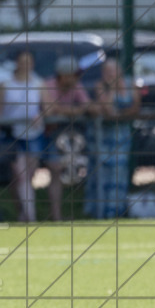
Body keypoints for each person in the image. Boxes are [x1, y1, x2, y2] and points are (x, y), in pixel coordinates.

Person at [0, 50, 45, 223]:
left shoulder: (39, 83)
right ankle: (31, 216)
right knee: (20, 175)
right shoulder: (5, 84)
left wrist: (42, 115)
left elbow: (48, 105)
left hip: (34, 134)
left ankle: (23, 214)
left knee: (28, 177)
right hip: (12, 134)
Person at [85, 59, 141, 219]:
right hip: (103, 137)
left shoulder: (130, 85)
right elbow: (108, 110)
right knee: (103, 171)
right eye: (106, 72)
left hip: (121, 135)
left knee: (120, 171)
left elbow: (135, 107)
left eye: (112, 71)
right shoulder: (101, 86)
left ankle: (117, 210)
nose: (109, 75)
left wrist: (121, 115)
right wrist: (110, 89)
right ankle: (101, 211)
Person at [41, 56, 92, 221]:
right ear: (62, 75)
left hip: (66, 136)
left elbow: (86, 105)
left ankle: (65, 214)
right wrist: (74, 111)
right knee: (52, 170)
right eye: (71, 74)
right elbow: (51, 109)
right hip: (44, 133)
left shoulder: (76, 86)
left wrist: (66, 111)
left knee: (64, 170)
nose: (74, 78)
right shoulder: (48, 85)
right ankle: (50, 215)